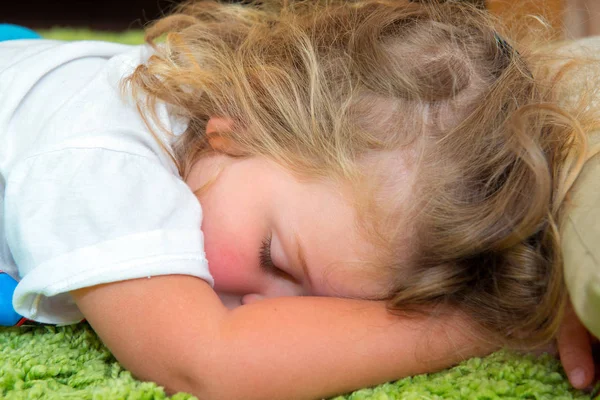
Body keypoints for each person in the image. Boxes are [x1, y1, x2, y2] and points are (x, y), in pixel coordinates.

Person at [0, 0, 597, 398]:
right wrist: (481, 327)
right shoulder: (101, 167)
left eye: (319, 301)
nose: (271, 316)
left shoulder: (236, 160)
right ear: (239, 125)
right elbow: (204, 362)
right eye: (274, 259)